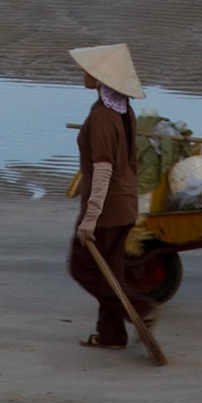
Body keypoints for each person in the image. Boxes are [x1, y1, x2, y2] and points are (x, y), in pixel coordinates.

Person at [66, 42, 156, 350]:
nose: (83, 74)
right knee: (111, 269)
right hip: (125, 203)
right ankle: (111, 335)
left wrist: (90, 218)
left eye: (89, 71)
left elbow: (102, 170)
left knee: (83, 268)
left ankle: (141, 308)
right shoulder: (122, 109)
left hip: (109, 208)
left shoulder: (104, 117)